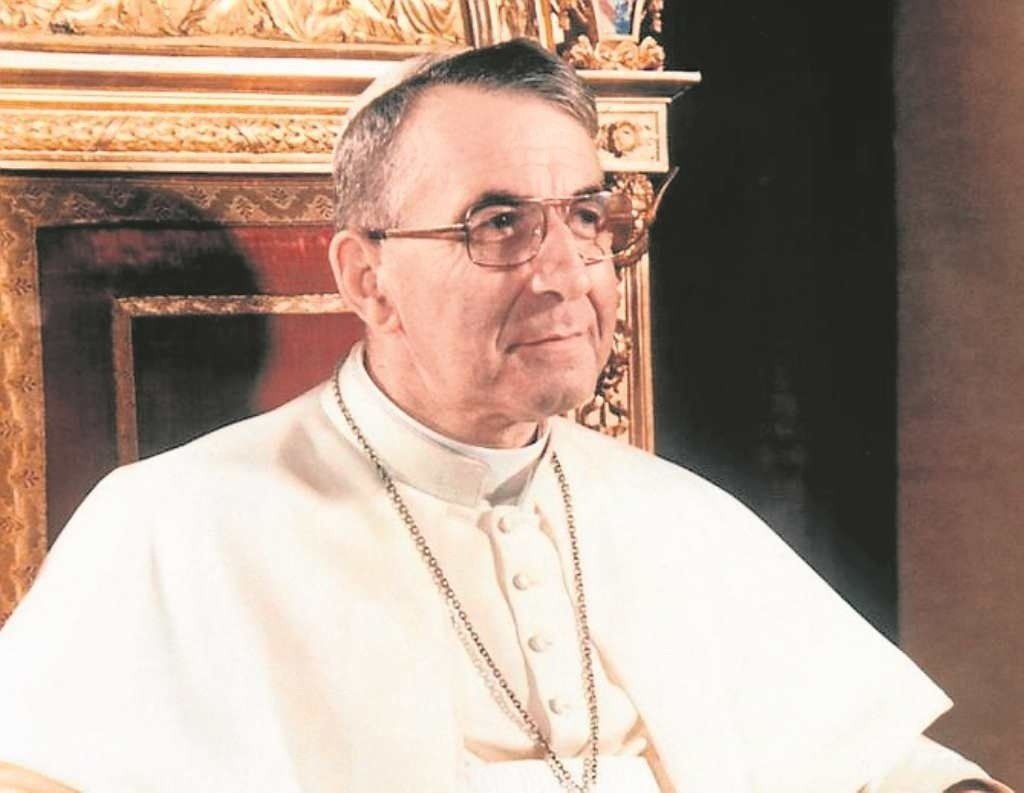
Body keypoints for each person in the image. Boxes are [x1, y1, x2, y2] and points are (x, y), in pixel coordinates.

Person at [0, 39, 1012, 793]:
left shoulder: (673, 514)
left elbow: (870, 761)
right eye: (499, 224)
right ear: (367, 276)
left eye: (586, 216)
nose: (568, 274)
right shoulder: (175, 522)